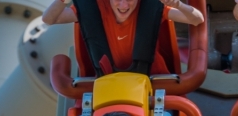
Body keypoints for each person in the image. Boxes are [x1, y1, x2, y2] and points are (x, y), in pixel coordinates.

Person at [42, 0, 204, 77]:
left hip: (153, 84)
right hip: (106, 86)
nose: (124, 5)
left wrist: (178, 4)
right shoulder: (94, 6)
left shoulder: (151, 6)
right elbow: (49, 19)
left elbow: (197, 19)